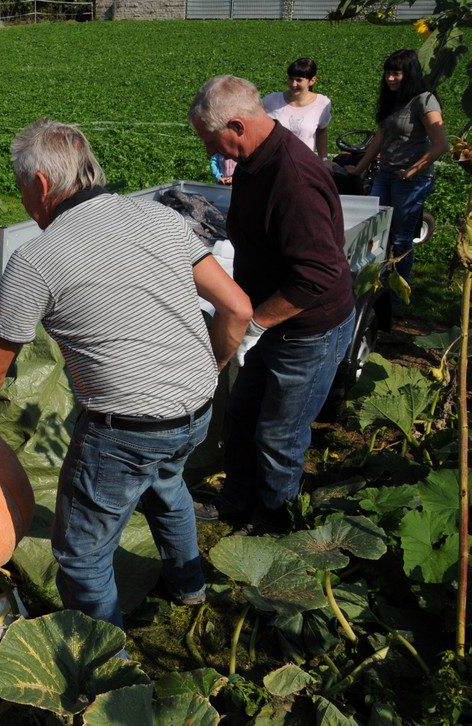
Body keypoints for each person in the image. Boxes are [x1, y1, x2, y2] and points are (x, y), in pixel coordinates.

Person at [0, 118, 252, 627]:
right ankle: (189, 588)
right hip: (195, 412)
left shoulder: (36, 260)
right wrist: (207, 371)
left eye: (21, 188)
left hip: (126, 431)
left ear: (41, 184)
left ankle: (106, 664)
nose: (23, 199)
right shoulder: (162, 219)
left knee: (82, 555)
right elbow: (237, 309)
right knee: (167, 486)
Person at [189, 75, 356, 536]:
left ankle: (273, 524)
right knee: (243, 414)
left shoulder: (294, 179)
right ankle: (236, 502)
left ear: (237, 126)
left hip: (308, 329)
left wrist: (255, 325)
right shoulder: (253, 161)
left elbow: (318, 274)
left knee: (280, 434)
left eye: (211, 140)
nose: (210, 150)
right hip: (271, 318)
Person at [344, 48, 448, 286]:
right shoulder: (394, 100)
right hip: (386, 174)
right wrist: (358, 169)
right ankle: (376, 284)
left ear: (409, 74)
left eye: (396, 74)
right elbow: (379, 140)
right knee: (376, 230)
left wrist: (413, 170)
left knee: (401, 238)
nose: (389, 78)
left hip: (411, 180)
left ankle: (399, 291)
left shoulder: (424, 100)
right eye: (387, 73)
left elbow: (441, 144)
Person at [262, 57, 332, 160]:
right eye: (291, 79)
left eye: (299, 80)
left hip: (304, 163)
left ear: (312, 80)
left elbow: (321, 131)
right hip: (275, 162)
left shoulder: (322, 103)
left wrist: (324, 159)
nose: (293, 84)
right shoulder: (272, 100)